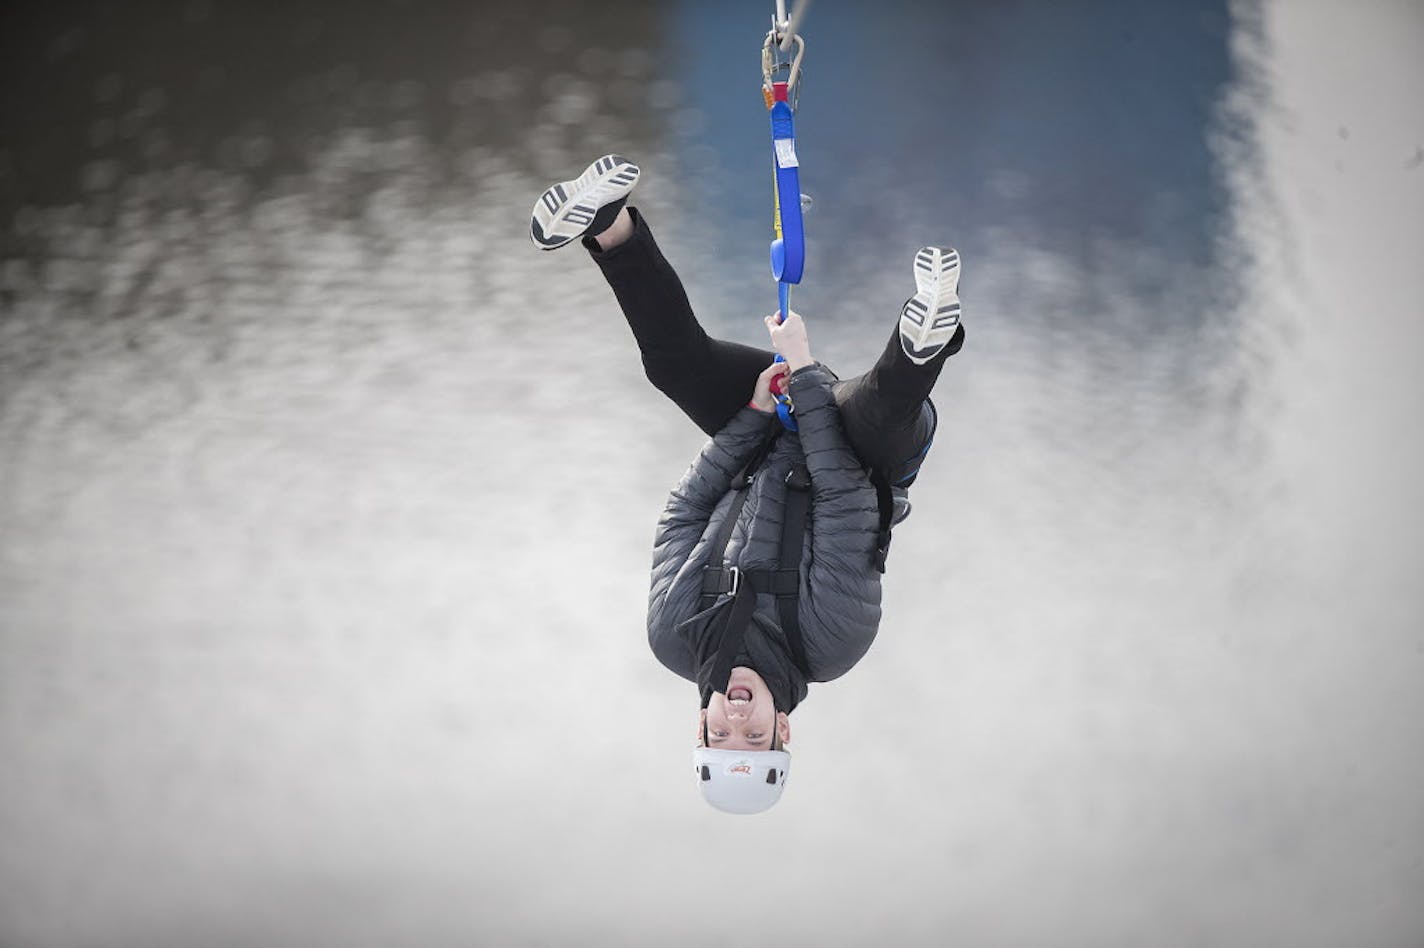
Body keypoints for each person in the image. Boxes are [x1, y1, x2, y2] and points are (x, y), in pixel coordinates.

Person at [530, 155, 965, 814]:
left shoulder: (675, 632)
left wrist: (755, 415)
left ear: (698, 724)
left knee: (674, 366)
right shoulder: (832, 641)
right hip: (863, 454)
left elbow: (683, 516)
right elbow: (846, 498)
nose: (736, 717)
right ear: (782, 730)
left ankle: (609, 227)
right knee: (883, 412)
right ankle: (923, 342)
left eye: (720, 732)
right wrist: (805, 368)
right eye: (753, 735)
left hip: (768, 430)